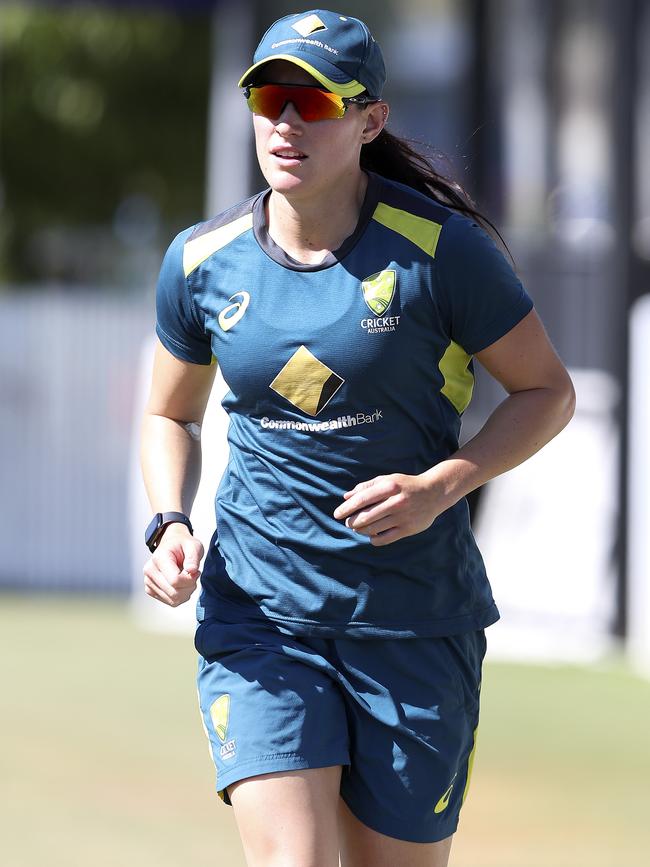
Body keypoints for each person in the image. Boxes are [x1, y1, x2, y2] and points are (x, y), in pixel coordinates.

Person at [141, 9, 575, 867]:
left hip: (414, 621)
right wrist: (170, 520)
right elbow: (169, 411)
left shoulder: (443, 252)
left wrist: (444, 484)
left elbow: (546, 392)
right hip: (261, 616)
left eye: (314, 101)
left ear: (370, 120)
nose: (286, 121)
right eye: (269, 97)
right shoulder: (202, 261)